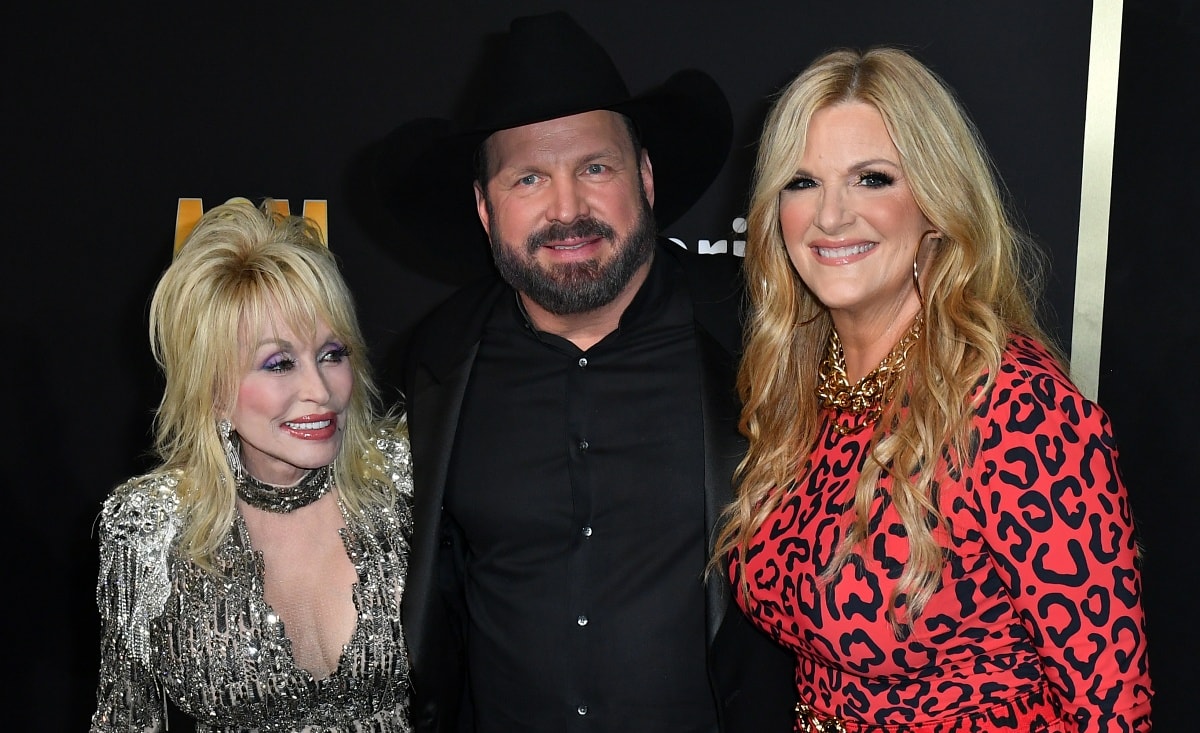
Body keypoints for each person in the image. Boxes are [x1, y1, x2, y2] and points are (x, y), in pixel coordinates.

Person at [377, 11, 796, 733]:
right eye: (529, 178)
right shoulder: (437, 363)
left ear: (646, 177)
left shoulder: (760, 334)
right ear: (484, 208)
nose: (567, 209)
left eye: (594, 168)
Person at [717, 47, 1152, 731]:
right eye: (801, 182)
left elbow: (1112, 711)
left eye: (872, 178)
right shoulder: (805, 385)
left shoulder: (1019, 411)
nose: (830, 216)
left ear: (937, 203)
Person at [91, 199, 414, 732]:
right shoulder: (147, 527)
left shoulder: (406, 477)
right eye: (279, 363)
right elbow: (126, 721)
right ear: (214, 389)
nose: (321, 390)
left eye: (332, 354)